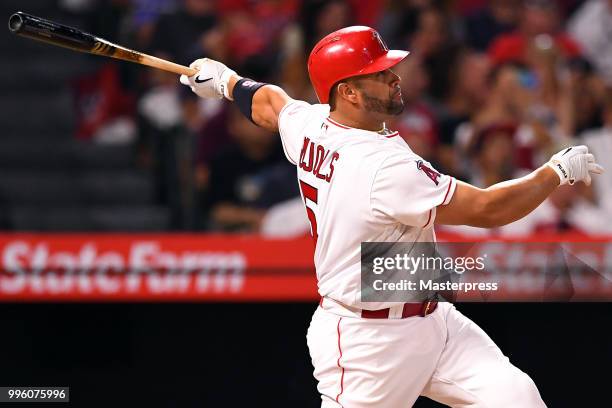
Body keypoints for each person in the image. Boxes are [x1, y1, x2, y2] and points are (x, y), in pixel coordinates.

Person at [180, 26, 603, 407]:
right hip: (368, 341)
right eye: (379, 74)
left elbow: (270, 104)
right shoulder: (382, 167)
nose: (393, 78)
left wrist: (227, 82)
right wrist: (555, 172)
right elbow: (489, 208)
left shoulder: (312, 121)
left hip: (432, 318)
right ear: (347, 92)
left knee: (517, 398)